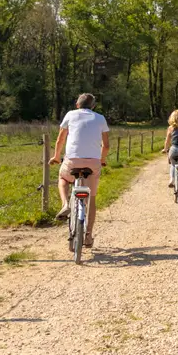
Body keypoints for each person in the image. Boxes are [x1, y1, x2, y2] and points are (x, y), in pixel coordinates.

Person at [50, 93, 110, 248]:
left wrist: (56, 157)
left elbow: (60, 139)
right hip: (93, 163)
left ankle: (65, 204)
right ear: (93, 106)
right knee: (92, 197)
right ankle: (88, 236)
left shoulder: (70, 115)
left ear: (77, 104)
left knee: (63, 179)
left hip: (72, 161)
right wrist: (102, 160)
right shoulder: (100, 118)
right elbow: (106, 145)